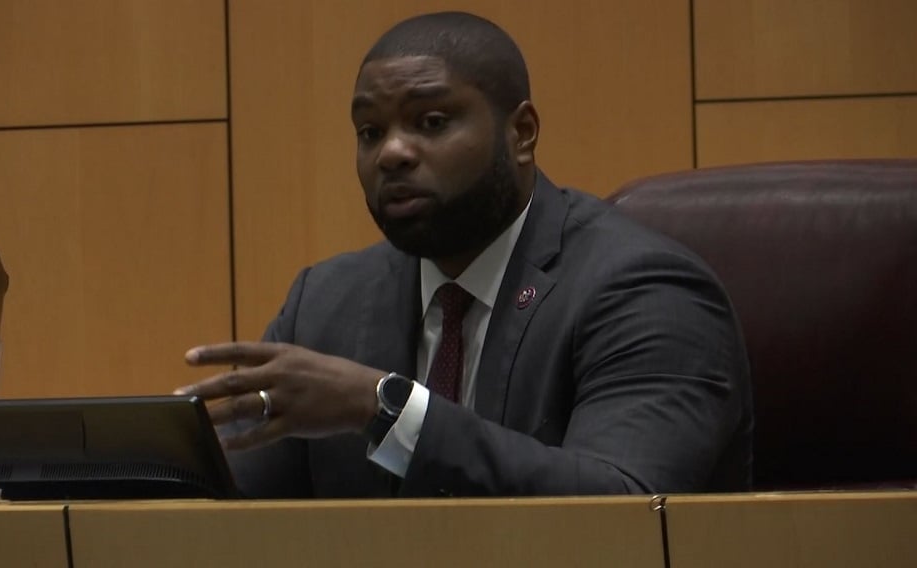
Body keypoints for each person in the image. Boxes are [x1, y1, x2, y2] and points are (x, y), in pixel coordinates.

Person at [175, 11, 752, 498]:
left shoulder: (645, 291)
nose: (392, 153)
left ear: (521, 133)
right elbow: (226, 509)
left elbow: (625, 505)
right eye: (370, 132)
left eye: (431, 122)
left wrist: (384, 409)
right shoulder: (325, 304)